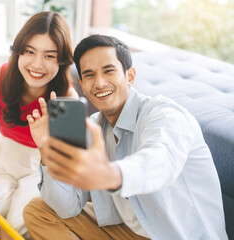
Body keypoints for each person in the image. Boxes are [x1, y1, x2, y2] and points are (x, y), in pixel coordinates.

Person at [23, 34, 228, 240]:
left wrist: (109, 175)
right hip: (130, 231)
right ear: (82, 84)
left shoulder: (165, 115)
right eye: (90, 75)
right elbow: (66, 208)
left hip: (173, 235)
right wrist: (45, 149)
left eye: (108, 71)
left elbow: (159, 161)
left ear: (130, 76)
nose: (100, 83)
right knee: (39, 210)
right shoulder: (94, 126)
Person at [0, 11, 78, 237]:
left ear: (62, 60)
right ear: (18, 50)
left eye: (50, 56)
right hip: (4, 157)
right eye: (30, 51)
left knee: (20, 227)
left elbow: (67, 165)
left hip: (41, 166)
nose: (37, 64)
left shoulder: (67, 98)